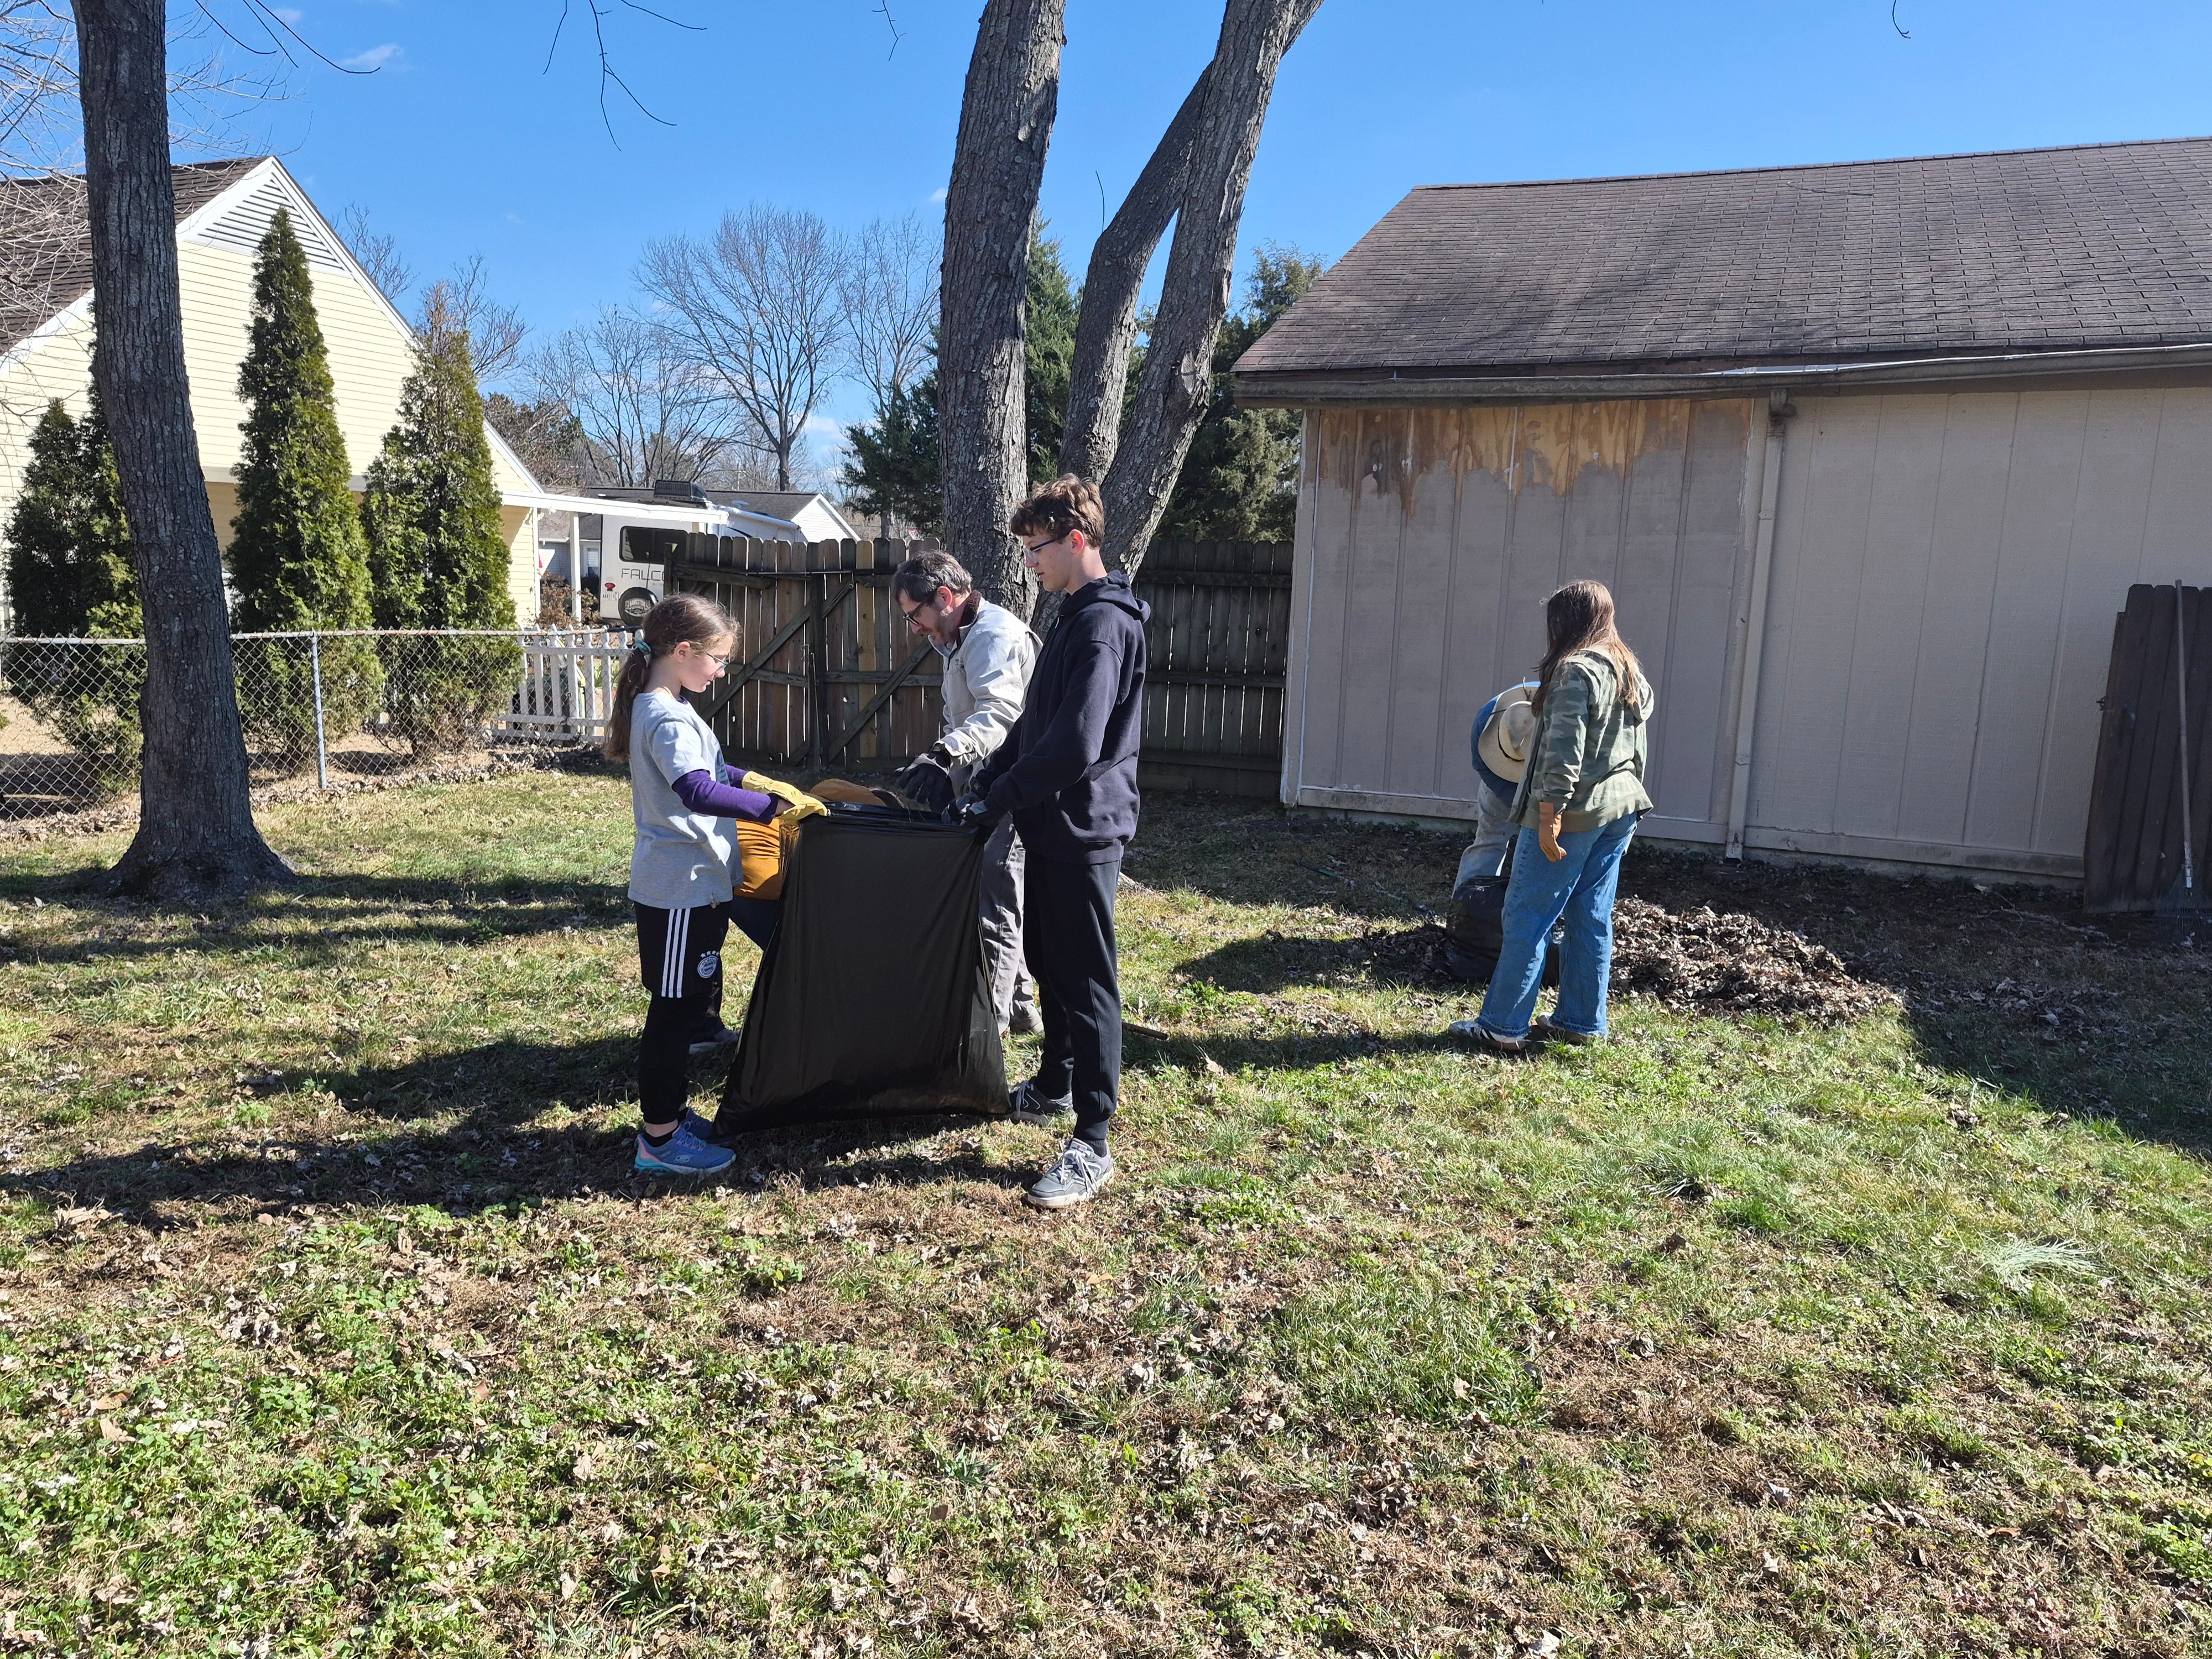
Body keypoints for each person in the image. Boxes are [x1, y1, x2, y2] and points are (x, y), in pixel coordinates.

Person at [959, 476, 1148, 1210]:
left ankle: (1092, 1142)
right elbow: (1037, 724)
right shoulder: (1072, 618)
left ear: (1075, 540)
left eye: (1037, 548)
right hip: (1049, 824)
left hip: (1083, 828)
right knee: (1049, 962)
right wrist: (990, 777)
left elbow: (1074, 746)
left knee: (1087, 982)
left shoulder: (1103, 626)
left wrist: (1002, 796)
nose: (1030, 561)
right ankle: (1055, 1084)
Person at [606, 593, 826, 1174]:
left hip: (698, 887)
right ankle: (659, 1140)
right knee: (673, 1014)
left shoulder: (670, 704)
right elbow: (696, 790)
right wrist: (770, 809)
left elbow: (713, 771)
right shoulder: (665, 715)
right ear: (683, 651)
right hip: (679, 889)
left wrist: (757, 782)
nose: (723, 670)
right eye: (719, 659)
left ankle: (672, 1120)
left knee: (685, 1006)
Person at [1451, 580, 1654, 1055]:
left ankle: (1502, 1026)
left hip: (1574, 816)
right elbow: (1635, 749)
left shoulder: (1574, 671)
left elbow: (1564, 752)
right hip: (1621, 808)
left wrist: (1549, 816)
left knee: (1528, 915)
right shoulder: (1628, 670)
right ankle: (1581, 1022)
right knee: (1591, 915)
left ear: (1566, 622)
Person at [890, 549, 1044, 1036]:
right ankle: (1021, 1007)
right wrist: (949, 777)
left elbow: (1000, 715)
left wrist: (944, 755)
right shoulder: (957, 639)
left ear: (944, 596)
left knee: (994, 900)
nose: (914, 627)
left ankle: (987, 1031)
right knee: (996, 892)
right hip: (991, 782)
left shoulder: (993, 636)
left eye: (915, 615)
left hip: (1015, 787)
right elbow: (962, 716)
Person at [1457, 681, 1537, 885]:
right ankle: (1467, 898)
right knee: (1490, 840)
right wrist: (1517, 803)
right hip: (1500, 784)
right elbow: (1483, 767)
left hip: (1549, 777)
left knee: (1540, 847)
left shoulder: (1565, 720)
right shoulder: (1486, 721)